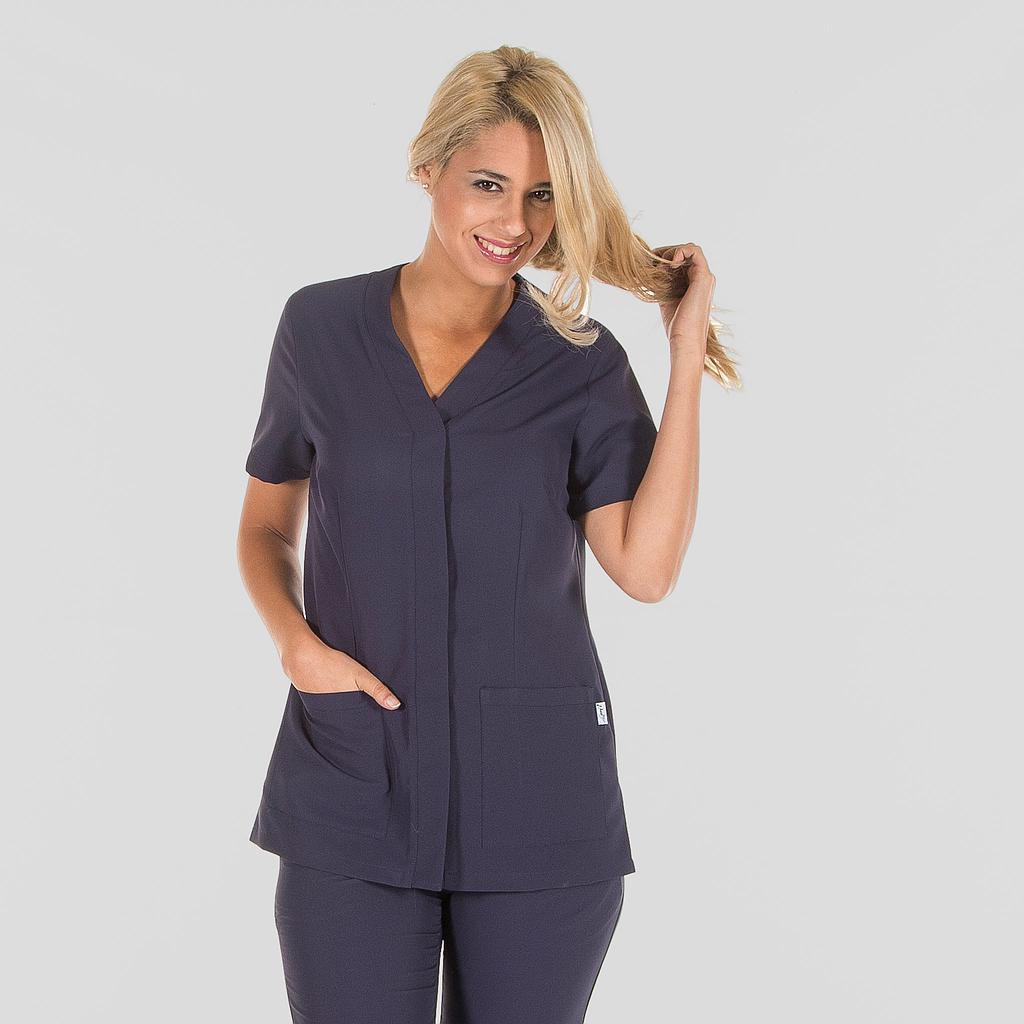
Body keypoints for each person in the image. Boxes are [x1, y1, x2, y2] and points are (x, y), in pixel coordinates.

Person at [236, 43, 738, 1024]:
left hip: (537, 800)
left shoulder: (579, 362)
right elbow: (264, 524)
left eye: (543, 195)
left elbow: (645, 569)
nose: (514, 223)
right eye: (487, 184)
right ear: (427, 168)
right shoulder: (320, 330)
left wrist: (682, 361)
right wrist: (295, 645)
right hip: (354, 783)